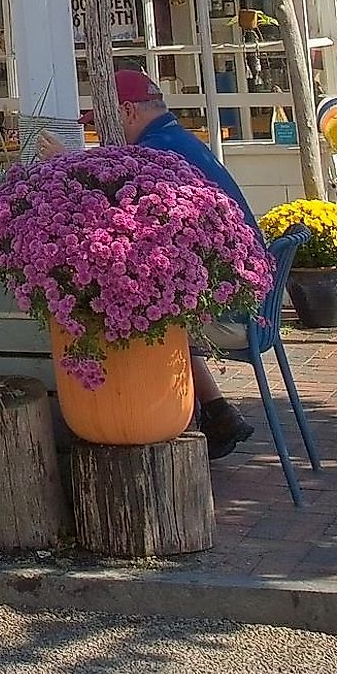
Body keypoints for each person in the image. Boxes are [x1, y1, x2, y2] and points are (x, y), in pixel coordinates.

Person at [114, 68, 258, 460]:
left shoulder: (158, 152)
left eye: (107, 119)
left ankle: (158, 432)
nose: (108, 132)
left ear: (127, 112)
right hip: (248, 298)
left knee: (140, 315)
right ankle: (217, 414)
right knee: (156, 305)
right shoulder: (176, 138)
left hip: (233, 313)